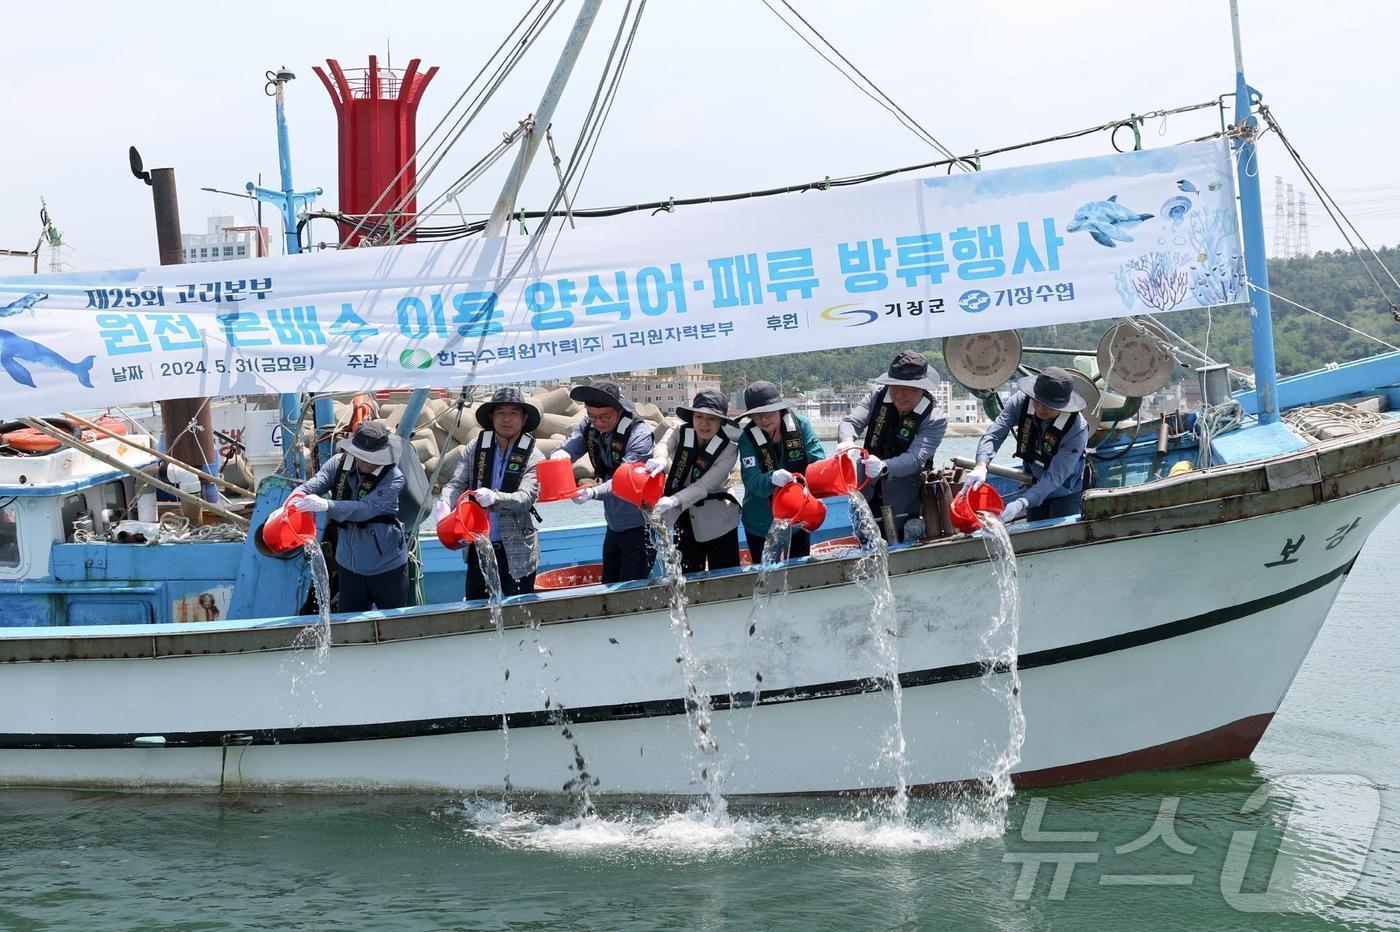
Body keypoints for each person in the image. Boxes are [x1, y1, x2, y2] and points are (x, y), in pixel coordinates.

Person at [292, 420, 408, 612]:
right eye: (363, 456)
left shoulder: (394, 477)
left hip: (387, 565)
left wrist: (326, 505)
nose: (368, 462)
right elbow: (314, 484)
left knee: (394, 624)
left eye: (375, 457)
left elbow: (366, 509)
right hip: (348, 565)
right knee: (349, 625)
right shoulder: (337, 464)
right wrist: (294, 499)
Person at [439, 387, 543, 600]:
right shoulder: (475, 447)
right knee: (478, 611)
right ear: (491, 417)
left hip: (517, 550)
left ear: (524, 419)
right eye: (500, 413)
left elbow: (525, 498)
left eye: (514, 413)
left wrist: (496, 498)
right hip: (479, 546)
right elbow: (456, 483)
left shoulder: (534, 455)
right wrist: (444, 504)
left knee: (522, 612)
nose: (507, 419)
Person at [551, 379, 656, 583]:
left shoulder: (639, 435)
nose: (598, 423)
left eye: (604, 417)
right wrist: (561, 455)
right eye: (592, 417)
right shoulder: (589, 426)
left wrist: (593, 492)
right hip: (613, 525)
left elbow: (625, 481)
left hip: (640, 526)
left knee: (632, 590)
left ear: (618, 410)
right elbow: (571, 445)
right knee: (609, 583)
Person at [837, 350, 948, 541]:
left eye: (909, 388)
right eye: (895, 385)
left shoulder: (935, 417)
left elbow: (915, 459)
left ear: (923, 389)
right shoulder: (876, 396)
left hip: (906, 502)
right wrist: (847, 441)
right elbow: (850, 423)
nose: (900, 394)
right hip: (866, 494)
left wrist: (884, 467)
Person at [964, 366, 1093, 522]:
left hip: (1065, 491)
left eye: (1048, 407)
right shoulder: (1020, 401)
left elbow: (1055, 477)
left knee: (1061, 535)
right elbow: (995, 433)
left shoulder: (1077, 429)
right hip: (1032, 482)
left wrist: (1021, 503)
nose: (1040, 409)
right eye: (1037, 402)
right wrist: (981, 465)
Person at [645, 388, 742, 575]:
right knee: (687, 577)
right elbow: (664, 445)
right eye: (699, 417)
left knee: (725, 577)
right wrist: (660, 459)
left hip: (719, 522)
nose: (704, 424)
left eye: (712, 419)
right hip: (685, 517)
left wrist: (673, 500)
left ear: (721, 421)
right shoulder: (679, 430)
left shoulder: (729, 450)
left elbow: (702, 486)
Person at [737, 380, 825, 562]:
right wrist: (771, 479)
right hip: (760, 522)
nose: (763, 419)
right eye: (756, 415)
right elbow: (752, 481)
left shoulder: (801, 425)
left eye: (768, 412)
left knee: (800, 572)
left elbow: (818, 461)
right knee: (766, 576)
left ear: (779, 408)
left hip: (799, 517)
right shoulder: (747, 439)